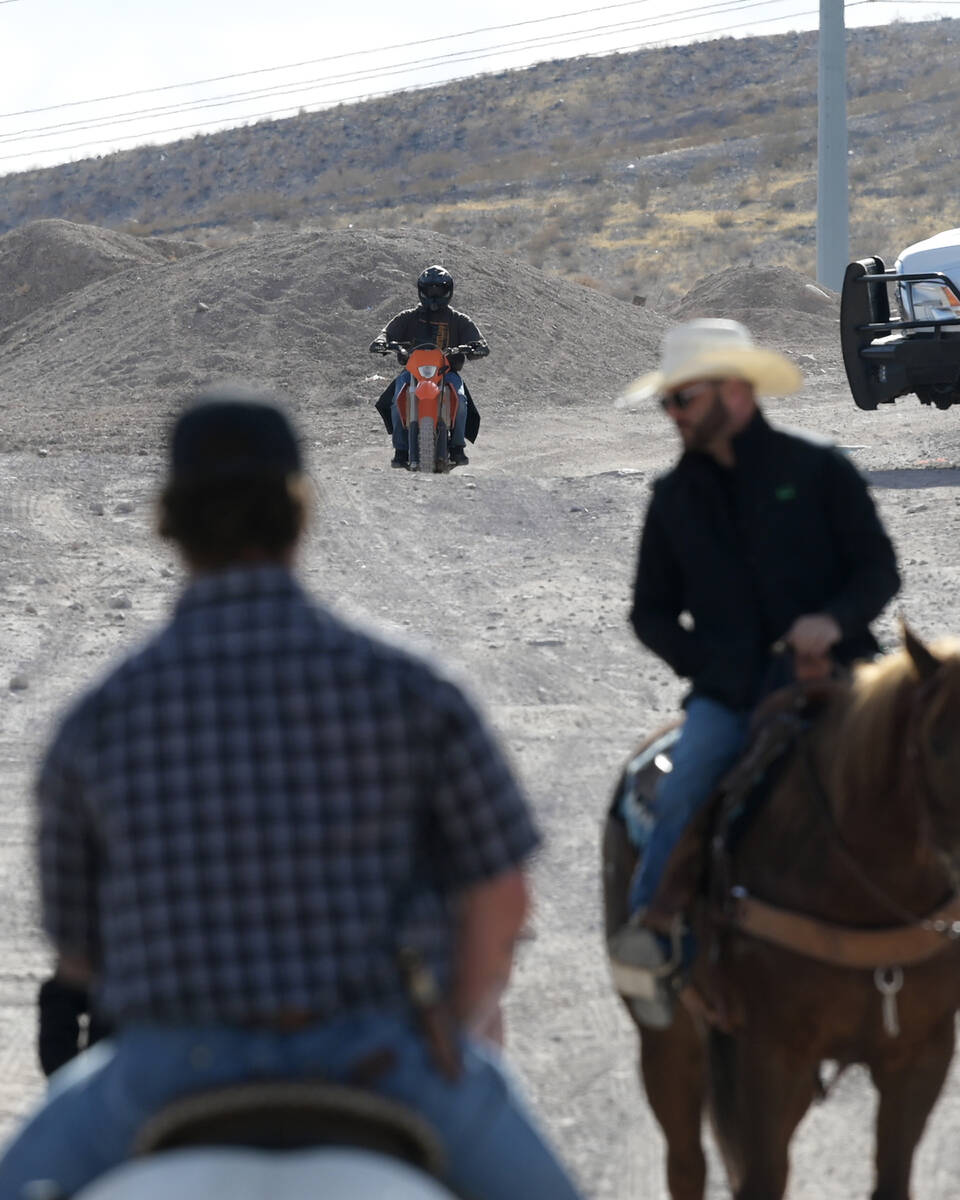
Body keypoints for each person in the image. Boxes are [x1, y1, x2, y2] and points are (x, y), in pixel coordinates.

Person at [0, 392, 583, 1200]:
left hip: (166, 1070)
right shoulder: (415, 692)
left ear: (168, 521)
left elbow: (78, 953)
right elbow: (503, 895)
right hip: (384, 1060)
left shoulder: (96, 721)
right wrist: (451, 1026)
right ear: (300, 514)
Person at [607, 319, 900, 1026]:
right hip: (732, 699)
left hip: (846, 679)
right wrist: (717, 666)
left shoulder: (822, 471)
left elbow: (878, 570)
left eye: (683, 400)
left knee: (929, 760)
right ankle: (653, 934)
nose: (672, 415)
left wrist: (830, 622)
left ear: (735, 393)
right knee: (683, 793)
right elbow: (649, 615)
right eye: (668, 403)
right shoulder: (672, 500)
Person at [370, 265, 488, 467]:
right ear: (421, 291)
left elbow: (479, 341)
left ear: (448, 291)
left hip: (446, 371)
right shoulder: (408, 317)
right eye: (429, 290)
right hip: (413, 372)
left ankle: (457, 447)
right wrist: (383, 341)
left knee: (460, 399)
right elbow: (386, 333)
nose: (434, 295)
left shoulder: (458, 320)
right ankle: (400, 450)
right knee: (396, 401)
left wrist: (476, 347)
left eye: (439, 290)